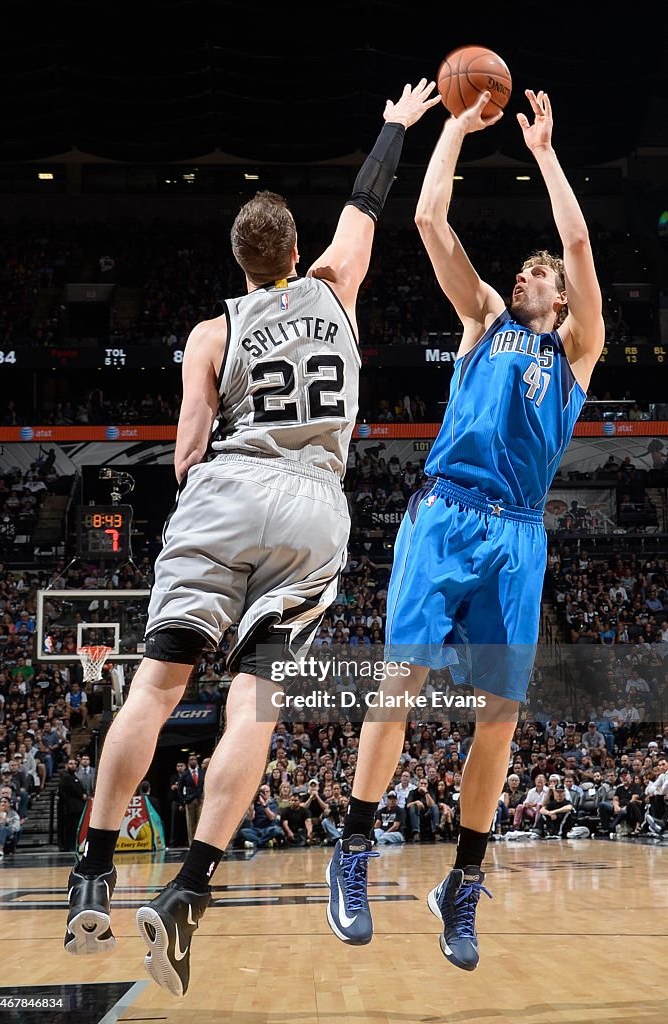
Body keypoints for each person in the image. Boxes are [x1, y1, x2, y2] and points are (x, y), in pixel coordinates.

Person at [63, 78, 439, 996]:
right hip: (310, 504)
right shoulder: (334, 285)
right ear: (296, 252)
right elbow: (367, 203)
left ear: (237, 262)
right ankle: (188, 888)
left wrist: (203, 484)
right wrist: (394, 126)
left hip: (224, 490)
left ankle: (95, 869)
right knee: (252, 707)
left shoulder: (208, 330)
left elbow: (188, 446)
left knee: (155, 689)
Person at [326, 86, 605, 969]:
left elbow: (578, 242)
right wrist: (449, 124)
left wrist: (546, 152)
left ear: (559, 301)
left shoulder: (576, 352)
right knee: (398, 684)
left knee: (499, 717)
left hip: (518, 535)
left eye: (537, 275)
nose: (525, 275)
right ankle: (353, 850)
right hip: (444, 511)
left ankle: (464, 881)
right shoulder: (482, 322)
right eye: (519, 271)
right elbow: (428, 217)